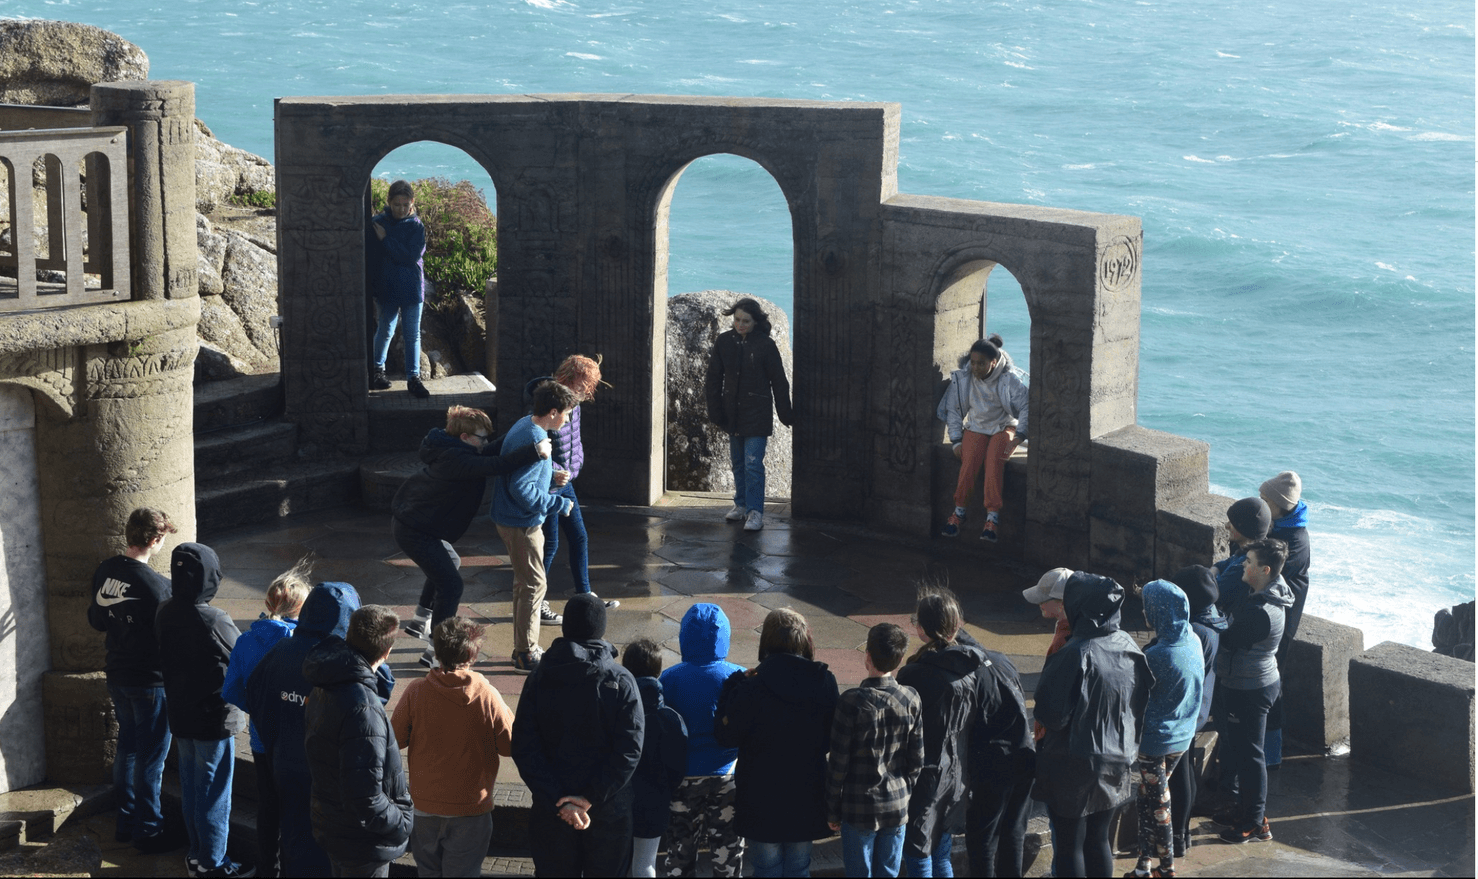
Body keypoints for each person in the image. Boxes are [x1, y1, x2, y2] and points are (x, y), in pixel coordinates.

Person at [395, 404, 549, 668]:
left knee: (449, 564)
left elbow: (488, 451)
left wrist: (521, 427)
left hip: (417, 526)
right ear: (465, 437)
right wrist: (535, 451)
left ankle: (422, 619)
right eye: (482, 436)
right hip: (416, 531)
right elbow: (496, 463)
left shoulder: (454, 448)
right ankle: (438, 653)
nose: (486, 441)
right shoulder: (458, 459)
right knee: (451, 585)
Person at [511, 594, 644, 878]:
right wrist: (589, 797)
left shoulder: (539, 677)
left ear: (565, 627)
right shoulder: (621, 681)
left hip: (552, 811)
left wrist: (561, 800)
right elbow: (629, 750)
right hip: (609, 811)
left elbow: (524, 746)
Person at [1031, 572, 1152, 879]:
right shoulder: (1129, 644)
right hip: (1117, 757)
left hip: (1073, 763)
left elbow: (1051, 714)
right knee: (1099, 839)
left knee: (1070, 843)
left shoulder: (1075, 652)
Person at [246, 582, 365, 877]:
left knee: (293, 838)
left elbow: (257, 702)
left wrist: (278, 745)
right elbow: (373, 699)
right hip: (326, 773)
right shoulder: (345, 659)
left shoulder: (280, 650)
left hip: (285, 765)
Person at [714, 608, 839, 877]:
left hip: (761, 798)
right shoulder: (824, 682)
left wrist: (731, 686)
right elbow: (831, 740)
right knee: (798, 867)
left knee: (766, 868)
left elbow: (726, 736)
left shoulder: (750, 688)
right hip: (807, 793)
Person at [155, 542, 251, 879]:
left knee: (193, 787)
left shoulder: (164, 610)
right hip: (213, 718)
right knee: (213, 792)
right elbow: (243, 656)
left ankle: (197, 853)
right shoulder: (213, 618)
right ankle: (212, 863)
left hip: (181, 715)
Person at [391, 616, 514, 878]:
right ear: (474, 654)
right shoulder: (487, 695)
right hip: (470, 806)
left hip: (423, 805)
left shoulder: (416, 691)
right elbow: (509, 745)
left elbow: (394, 740)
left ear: (436, 652)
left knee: (428, 871)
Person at [87, 508, 179, 855]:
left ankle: (125, 823)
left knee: (126, 749)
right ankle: (148, 830)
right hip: (151, 682)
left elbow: (97, 621)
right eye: (163, 538)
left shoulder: (105, 570)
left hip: (118, 674)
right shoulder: (158, 587)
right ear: (155, 540)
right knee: (150, 759)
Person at [303, 606, 414, 877]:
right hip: (361, 843)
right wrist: (402, 822)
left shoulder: (326, 680)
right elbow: (365, 797)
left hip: (334, 826)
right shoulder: (364, 709)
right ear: (387, 652)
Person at [223, 557, 313, 878]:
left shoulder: (247, 640)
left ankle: (266, 869)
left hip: (262, 740)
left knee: (267, 808)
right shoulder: (301, 645)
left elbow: (232, 690)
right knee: (297, 812)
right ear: (303, 607)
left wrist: (259, 710)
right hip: (297, 745)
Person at [523, 354, 620, 625]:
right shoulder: (548, 400)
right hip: (550, 485)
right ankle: (537, 602)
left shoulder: (573, 402)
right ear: (570, 377)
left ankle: (585, 597)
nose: (588, 391)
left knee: (579, 537)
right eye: (585, 384)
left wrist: (573, 466)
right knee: (550, 544)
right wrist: (554, 470)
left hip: (567, 482)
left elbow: (573, 440)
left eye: (591, 385)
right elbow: (536, 438)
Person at [492, 380, 580, 674]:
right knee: (534, 584)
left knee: (523, 583)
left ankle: (523, 646)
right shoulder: (536, 437)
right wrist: (557, 504)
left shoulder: (526, 424)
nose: (567, 419)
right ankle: (526, 653)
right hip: (522, 525)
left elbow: (523, 474)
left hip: (510, 519)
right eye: (566, 413)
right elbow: (522, 489)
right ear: (553, 412)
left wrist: (551, 477)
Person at [895, 585, 984, 878]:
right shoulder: (969, 668)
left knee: (917, 851)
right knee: (941, 851)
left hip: (925, 775)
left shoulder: (915, 674)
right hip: (955, 773)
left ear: (922, 629)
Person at [826, 623, 924, 879]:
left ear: (867, 656)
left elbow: (838, 764)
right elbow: (916, 760)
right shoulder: (911, 698)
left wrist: (833, 809)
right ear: (900, 659)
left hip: (858, 807)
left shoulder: (850, 701)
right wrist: (904, 790)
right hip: (896, 804)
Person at [1213, 538, 1293, 845]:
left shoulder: (1261, 611)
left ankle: (1253, 823)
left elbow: (1228, 639)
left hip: (1250, 688)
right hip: (1253, 681)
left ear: (1265, 569)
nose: (1243, 566)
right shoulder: (1268, 590)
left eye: (1249, 562)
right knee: (1244, 751)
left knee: (1250, 756)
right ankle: (1249, 813)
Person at [660, 603, 747, 878]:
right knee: (728, 855)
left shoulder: (670, 678)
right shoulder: (738, 676)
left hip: (684, 778)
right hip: (727, 777)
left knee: (680, 855)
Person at [1125, 580, 1205, 879]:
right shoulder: (1192, 639)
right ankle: (1143, 864)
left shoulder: (1158, 656)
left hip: (1155, 742)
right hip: (1182, 736)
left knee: (1158, 807)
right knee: (1146, 799)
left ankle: (1166, 869)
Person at [704, 297, 793, 532]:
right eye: (737, 320)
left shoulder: (766, 345)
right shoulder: (724, 342)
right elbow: (713, 378)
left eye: (746, 321)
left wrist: (787, 415)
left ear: (755, 322)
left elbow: (779, 382)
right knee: (738, 463)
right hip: (732, 413)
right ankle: (741, 505)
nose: (740, 325)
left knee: (753, 464)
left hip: (757, 414)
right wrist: (716, 411)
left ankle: (755, 512)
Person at [936, 334, 1029, 542]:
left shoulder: (1009, 379)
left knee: (994, 462)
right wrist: (956, 440)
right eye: (973, 362)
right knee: (969, 463)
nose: (976, 367)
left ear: (993, 362)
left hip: (1003, 427)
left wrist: (1020, 435)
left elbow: (1026, 406)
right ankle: (958, 514)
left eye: (981, 363)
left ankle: (992, 519)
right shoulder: (964, 378)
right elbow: (953, 410)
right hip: (976, 427)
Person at [959, 630, 1036, 878]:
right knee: (1013, 833)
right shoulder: (1001, 659)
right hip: (1023, 755)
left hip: (993, 763)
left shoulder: (968, 673)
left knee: (983, 839)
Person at [1164, 565, 1226, 858]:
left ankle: (1177, 834)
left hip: (1186, 710)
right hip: (1200, 707)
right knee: (1185, 768)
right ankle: (1182, 833)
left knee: (1180, 773)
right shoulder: (1213, 621)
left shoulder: (1196, 631)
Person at [622, 638, 689, 879]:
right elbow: (677, 769)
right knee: (645, 864)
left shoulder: (617, 711)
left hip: (618, 802)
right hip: (654, 804)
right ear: (658, 672)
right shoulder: (670, 719)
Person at [1260, 470, 1309, 770]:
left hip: (1283, 621)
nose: (1262, 504)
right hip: (1274, 615)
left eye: (1266, 500)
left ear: (1280, 505)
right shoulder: (1280, 527)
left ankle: (1272, 752)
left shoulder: (1295, 541)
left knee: (1272, 680)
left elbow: (1267, 573)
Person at [367, 178, 431, 398]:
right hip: (387, 286)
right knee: (385, 330)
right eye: (397, 204)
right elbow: (371, 257)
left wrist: (386, 240)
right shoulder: (378, 222)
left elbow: (411, 256)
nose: (401, 209)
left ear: (412, 203)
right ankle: (377, 371)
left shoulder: (416, 227)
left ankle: (414, 378)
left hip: (412, 287)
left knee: (412, 335)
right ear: (389, 202)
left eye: (405, 204)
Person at [1021, 567, 1074, 744]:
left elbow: (1052, 695)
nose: (1039, 603)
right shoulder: (1073, 628)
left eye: (1044, 599)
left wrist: (1041, 735)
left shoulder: (1063, 641)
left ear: (1062, 602)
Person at [1212, 497, 1271, 613]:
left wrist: (1212, 574)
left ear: (1245, 530)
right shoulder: (1248, 551)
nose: (1226, 526)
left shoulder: (1243, 565)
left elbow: (1213, 594)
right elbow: (1221, 565)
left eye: (1232, 523)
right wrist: (1215, 571)